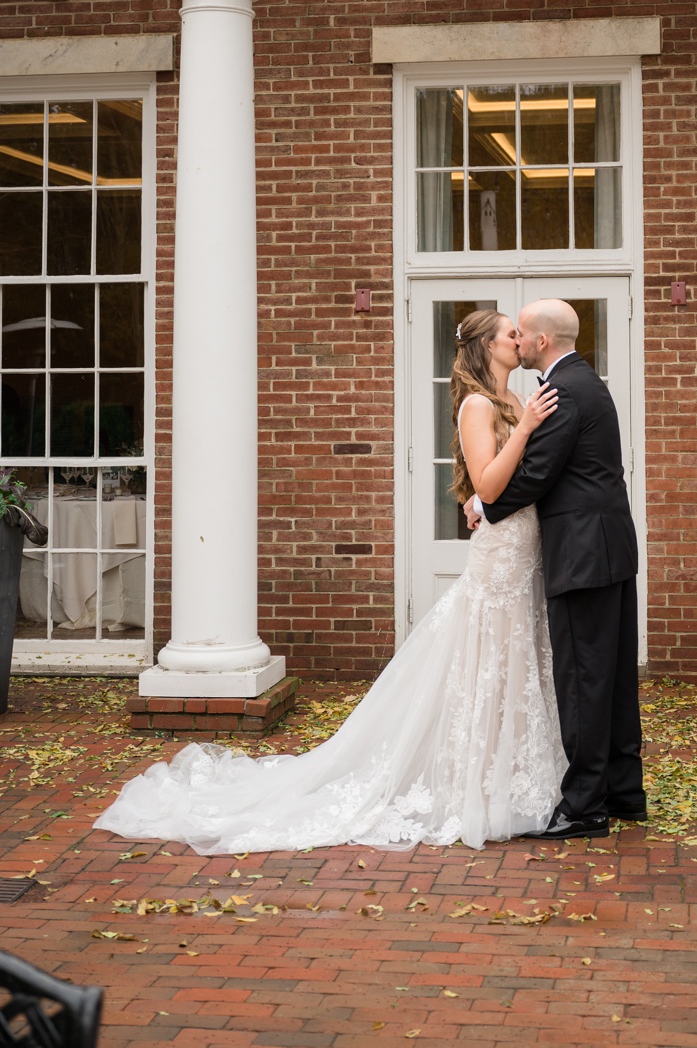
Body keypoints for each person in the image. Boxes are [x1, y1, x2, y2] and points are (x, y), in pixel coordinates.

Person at [97, 309, 565, 853]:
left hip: (525, 547)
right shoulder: (479, 405)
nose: (519, 338)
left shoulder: (513, 400)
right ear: (488, 345)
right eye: (510, 331)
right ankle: (479, 787)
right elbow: (487, 479)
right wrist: (522, 435)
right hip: (498, 559)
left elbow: (500, 486)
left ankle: (516, 775)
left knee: (516, 665)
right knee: (486, 665)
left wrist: (489, 483)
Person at [475, 298, 646, 840]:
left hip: (583, 556)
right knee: (612, 678)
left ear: (541, 341)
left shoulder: (562, 390)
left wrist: (484, 506)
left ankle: (585, 807)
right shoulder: (587, 381)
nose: (518, 343)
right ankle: (625, 793)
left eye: (521, 335)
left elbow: (537, 473)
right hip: (608, 549)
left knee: (584, 681)